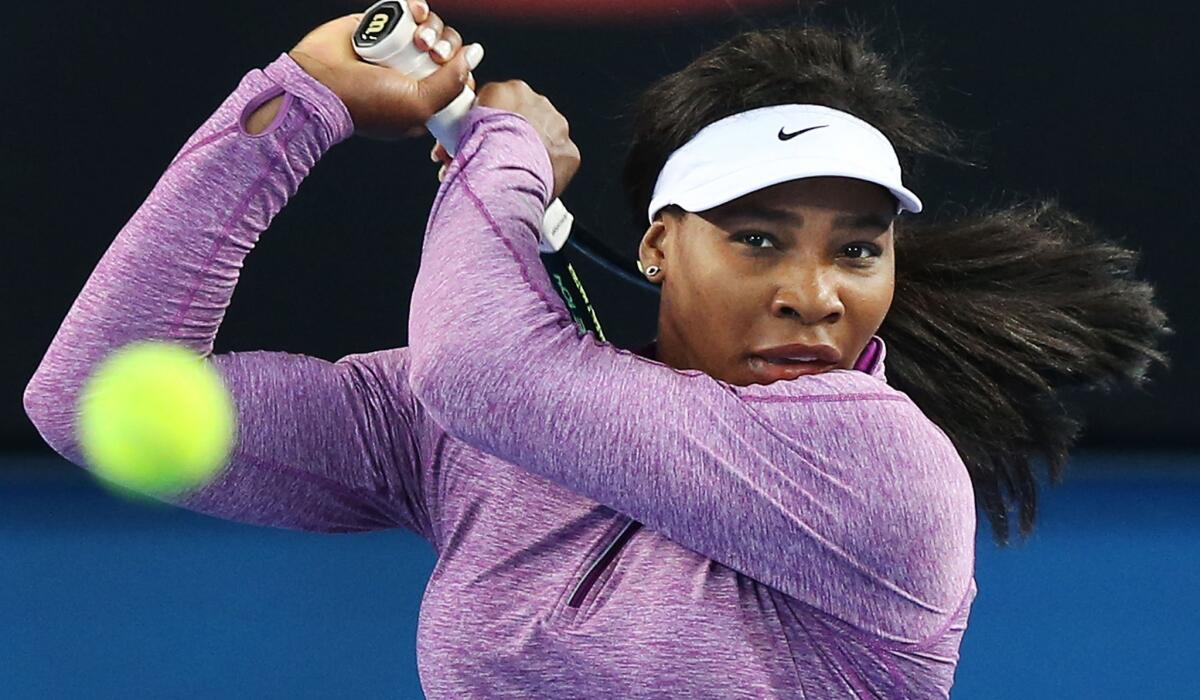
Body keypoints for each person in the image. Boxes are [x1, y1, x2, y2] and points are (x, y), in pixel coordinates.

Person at [23, 4, 1171, 698]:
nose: (814, 296)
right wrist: (297, 107)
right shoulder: (475, 435)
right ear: (663, 248)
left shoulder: (883, 462)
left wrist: (504, 155)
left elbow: (485, 368)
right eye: (758, 238)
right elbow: (92, 399)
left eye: (859, 249)